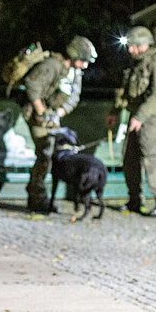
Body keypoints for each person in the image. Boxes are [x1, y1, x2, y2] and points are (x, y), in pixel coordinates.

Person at [16, 36, 97, 212]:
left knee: (51, 154)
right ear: (76, 56)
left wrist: (58, 114)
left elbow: (73, 98)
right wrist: (41, 112)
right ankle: (37, 198)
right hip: (37, 112)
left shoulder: (76, 73)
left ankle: (40, 195)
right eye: (84, 60)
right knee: (45, 152)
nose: (85, 65)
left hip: (51, 114)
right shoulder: (52, 65)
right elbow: (32, 86)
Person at [107, 26, 156, 217]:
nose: (130, 50)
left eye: (133, 46)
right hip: (136, 116)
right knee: (130, 159)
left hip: (150, 118)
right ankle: (134, 200)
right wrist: (115, 112)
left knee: (152, 158)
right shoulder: (136, 64)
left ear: (144, 45)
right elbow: (125, 91)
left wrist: (139, 117)